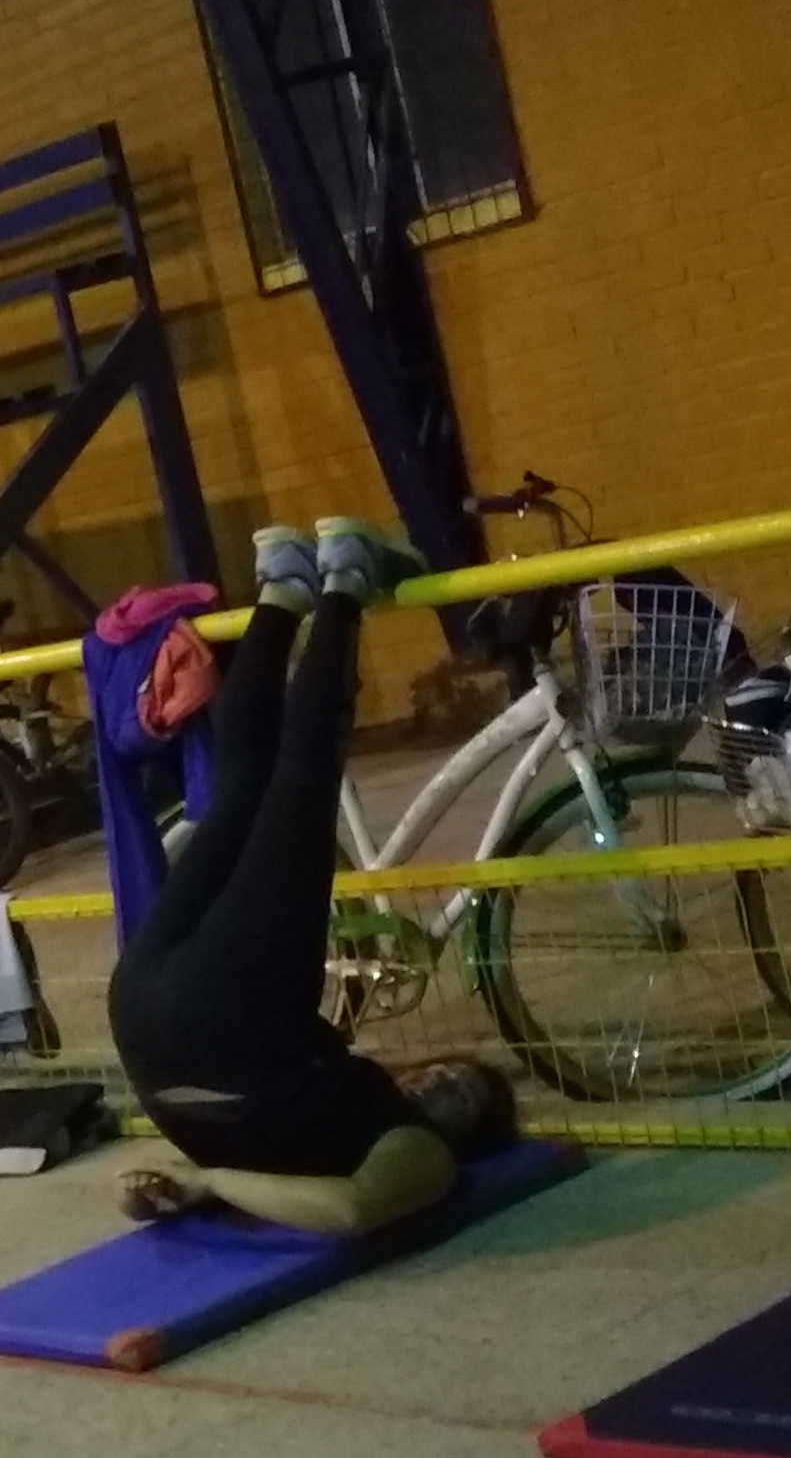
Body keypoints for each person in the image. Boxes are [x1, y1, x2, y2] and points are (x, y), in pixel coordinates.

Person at [102, 519, 518, 1236]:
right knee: (244, 789)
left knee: (303, 780)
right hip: (182, 1027)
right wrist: (208, 1183)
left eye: (464, 1097)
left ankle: (344, 578)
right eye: (456, 1070)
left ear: (467, 1137)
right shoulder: (344, 1102)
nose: (444, 1079)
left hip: (204, 1029)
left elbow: (351, 1209)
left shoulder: (421, 1153)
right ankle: (283, 587)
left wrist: (198, 1185)